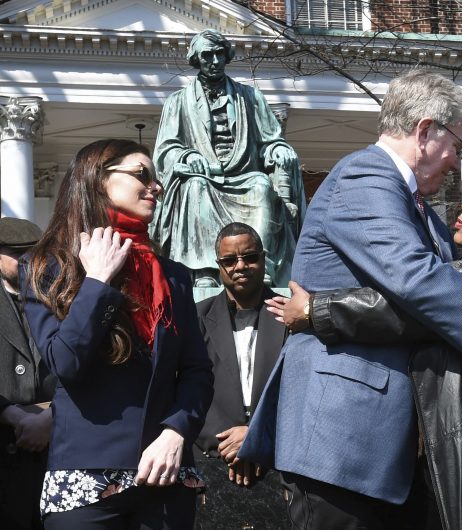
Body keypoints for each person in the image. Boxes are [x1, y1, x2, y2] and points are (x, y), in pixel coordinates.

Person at [239, 70, 462, 528]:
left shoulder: (418, 208)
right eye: (458, 148)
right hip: (343, 439)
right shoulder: (366, 175)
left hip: (386, 450)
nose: (456, 164)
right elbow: (417, 281)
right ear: (426, 131)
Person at [20, 139, 214, 529]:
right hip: (85, 473)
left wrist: (177, 431)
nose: (155, 186)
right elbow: (66, 364)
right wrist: (96, 282)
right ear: (97, 180)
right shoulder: (45, 265)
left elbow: (197, 371)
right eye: (142, 174)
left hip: (163, 470)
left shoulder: (172, 275)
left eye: (156, 178)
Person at [151, 29, 306, 287]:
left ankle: (261, 266)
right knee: (195, 187)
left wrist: (277, 148)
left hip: (245, 176)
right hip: (203, 178)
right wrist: (187, 156)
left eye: (219, 54)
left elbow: (269, 141)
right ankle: (205, 272)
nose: (214, 61)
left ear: (227, 56)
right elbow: (165, 151)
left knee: (261, 186)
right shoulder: (177, 102)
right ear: (196, 59)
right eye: (207, 55)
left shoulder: (251, 98)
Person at [194, 222, 287, 529]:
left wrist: (259, 435)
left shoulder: (290, 317)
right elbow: (186, 388)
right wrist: (230, 447)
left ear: (263, 258)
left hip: (277, 464)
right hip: (214, 462)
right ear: (218, 265)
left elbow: (302, 393)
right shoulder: (195, 319)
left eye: (250, 257)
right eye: (229, 261)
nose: (240, 266)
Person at [0, 217, 56, 530]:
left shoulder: (62, 299)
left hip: (56, 453)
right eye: (18, 253)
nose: (28, 260)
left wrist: (51, 419)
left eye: (33, 252)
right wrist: (13, 414)